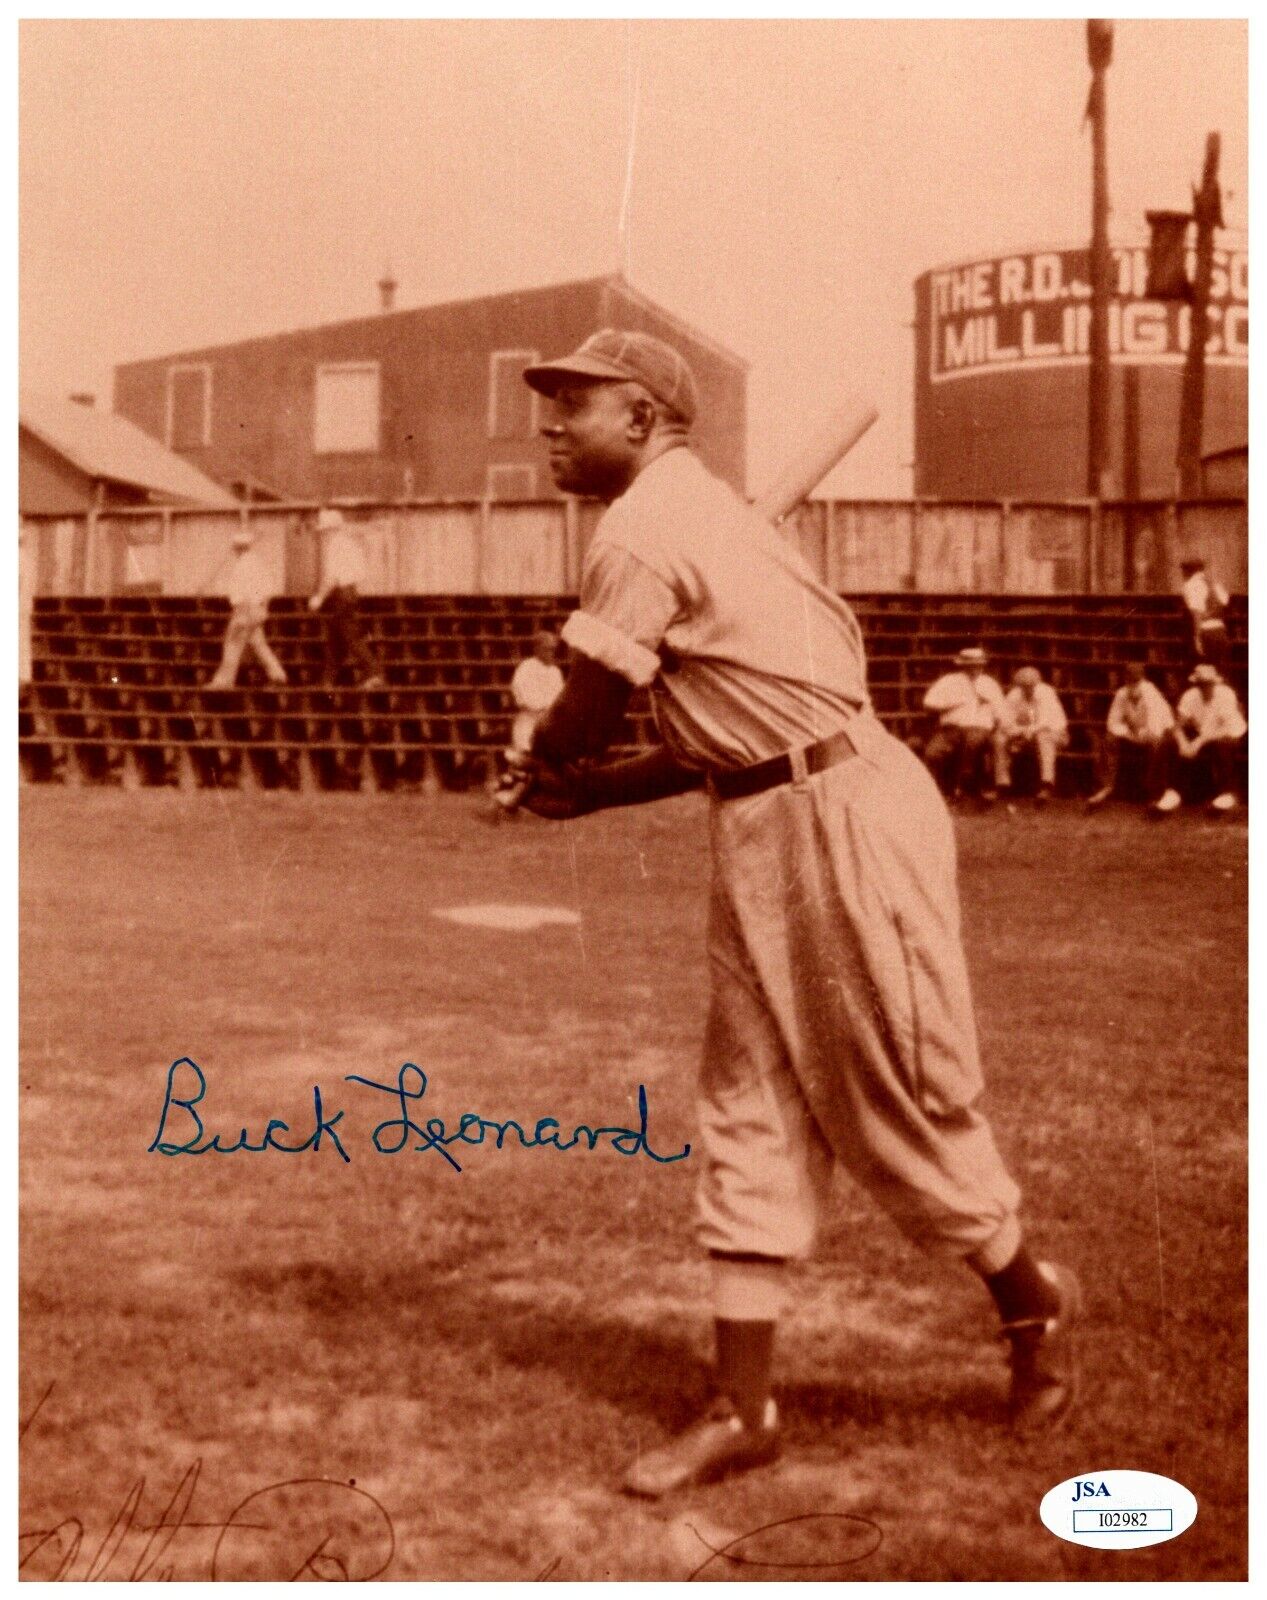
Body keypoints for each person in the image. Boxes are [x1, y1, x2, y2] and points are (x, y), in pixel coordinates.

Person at [504, 328, 1079, 1497]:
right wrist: (582, 793)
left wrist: (549, 754)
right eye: (549, 402)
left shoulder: (648, 525)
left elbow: (592, 707)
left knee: (887, 1093)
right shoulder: (689, 518)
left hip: (843, 814)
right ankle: (744, 1405)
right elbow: (709, 741)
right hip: (764, 812)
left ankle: (1033, 1309)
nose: (552, 422)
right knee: (746, 1100)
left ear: (648, 415)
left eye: (578, 401)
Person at [1153, 664, 1246, 815]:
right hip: (1203, 733)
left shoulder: (1226, 694)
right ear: (1196, 685)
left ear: (1215, 683)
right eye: (1201, 684)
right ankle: (1173, 792)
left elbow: (1225, 728)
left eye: (1208, 684)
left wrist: (1199, 741)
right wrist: (1183, 742)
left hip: (1231, 733)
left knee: (1221, 746)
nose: (1205, 687)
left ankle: (1227, 793)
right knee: (1170, 743)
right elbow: (1178, 724)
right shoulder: (1190, 695)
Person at [308, 508, 385, 689]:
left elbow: (331, 577)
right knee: (336, 637)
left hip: (342, 594)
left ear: (331, 529)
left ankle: (374, 672)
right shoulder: (349, 544)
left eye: (325, 530)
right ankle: (327, 680)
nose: (323, 534)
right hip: (351, 592)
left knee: (350, 636)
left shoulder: (336, 545)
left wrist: (318, 598)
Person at [207, 528, 288, 689]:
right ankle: (277, 674)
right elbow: (268, 590)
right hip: (259, 608)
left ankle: (224, 680)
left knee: (232, 643)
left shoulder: (241, 566)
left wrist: (241, 615)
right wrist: (263, 609)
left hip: (245, 609)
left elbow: (239, 594)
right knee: (258, 643)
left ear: (237, 548)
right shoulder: (259, 564)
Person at [921, 647, 1006, 801]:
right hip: (951, 730)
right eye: (971, 665)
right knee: (933, 753)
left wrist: (997, 724)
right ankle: (935, 793)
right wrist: (954, 703)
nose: (975, 669)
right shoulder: (949, 681)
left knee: (972, 742)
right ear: (963, 666)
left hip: (980, 729)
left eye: (978, 665)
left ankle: (962, 787)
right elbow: (928, 702)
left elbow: (1001, 713)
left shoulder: (990, 684)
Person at [1086, 663, 1174, 809]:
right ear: (1125, 679)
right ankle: (1105, 787)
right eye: (1129, 680)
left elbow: (1157, 725)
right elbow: (1113, 723)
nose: (1133, 685)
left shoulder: (1150, 692)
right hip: (1134, 734)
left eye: (1136, 681)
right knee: (1109, 739)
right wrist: (1128, 732)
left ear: (1142, 680)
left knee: (1157, 744)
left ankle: (1155, 793)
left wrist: (1144, 733)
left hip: (1157, 732)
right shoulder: (1122, 694)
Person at [997, 666, 1067, 803]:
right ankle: (1002, 784)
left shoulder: (1046, 693)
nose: (1028, 688)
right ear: (1018, 685)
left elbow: (1046, 722)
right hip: (1024, 735)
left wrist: (1029, 731)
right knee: (1000, 738)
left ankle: (1047, 784)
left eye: (1031, 685)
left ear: (1037, 683)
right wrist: (1020, 732)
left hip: (1056, 734)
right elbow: (1006, 721)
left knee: (1043, 736)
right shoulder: (1014, 695)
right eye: (1024, 686)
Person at [508, 632, 565, 755]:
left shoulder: (555, 672)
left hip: (551, 722)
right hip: (531, 721)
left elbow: (560, 697)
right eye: (547, 649)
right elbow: (525, 698)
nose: (551, 653)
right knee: (528, 755)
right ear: (537, 649)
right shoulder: (525, 668)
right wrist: (545, 707)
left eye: (553, 650)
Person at [1179, 557, 1230, 671]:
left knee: (1201, 672)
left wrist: (1197, 638)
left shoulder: (1191, 585)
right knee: (1219, 671)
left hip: (1205, 633)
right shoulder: (1214, 584)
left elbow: (1196, 612)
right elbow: (1225, 602)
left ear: (1188, 571)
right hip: (1220, 631)